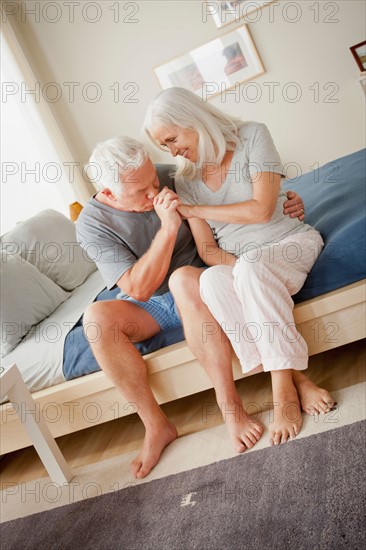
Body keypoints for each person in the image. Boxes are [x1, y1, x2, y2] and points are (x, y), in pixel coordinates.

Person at [76, 135, 306, 479]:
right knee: (95, 318)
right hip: (150, 303)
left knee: (182, 277)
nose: (155, 192)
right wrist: (168, 229)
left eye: (154, 179)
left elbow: (246, 197)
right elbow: (138, 289)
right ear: (109, 194)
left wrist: (289, 202)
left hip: (199, 284)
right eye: (141, 192)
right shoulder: (92, 224)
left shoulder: (175, 176)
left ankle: (232, 408)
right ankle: (156, 426)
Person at [144, 86, 334, 447]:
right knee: (213, 280)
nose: (171, 151)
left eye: (172, 139)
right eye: (163, 146)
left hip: (289, 245)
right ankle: (297, 378)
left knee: (248, 270)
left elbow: (262, 209)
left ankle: (284, 393)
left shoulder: (253, 136)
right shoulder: (186, 178)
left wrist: (196, 210)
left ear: (192, 120)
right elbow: (207, 248)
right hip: (246, 265)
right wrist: (246, 269)